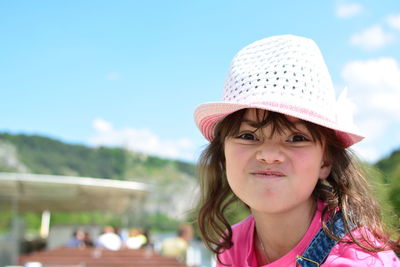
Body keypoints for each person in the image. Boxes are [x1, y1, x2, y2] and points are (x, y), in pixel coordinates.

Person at [194, 35, 400, 266]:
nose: (269, 155)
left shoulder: (357, 262)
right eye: (248, 136)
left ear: (325, 161)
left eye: (296, 138)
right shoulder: (233, 245)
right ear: (223, 153)